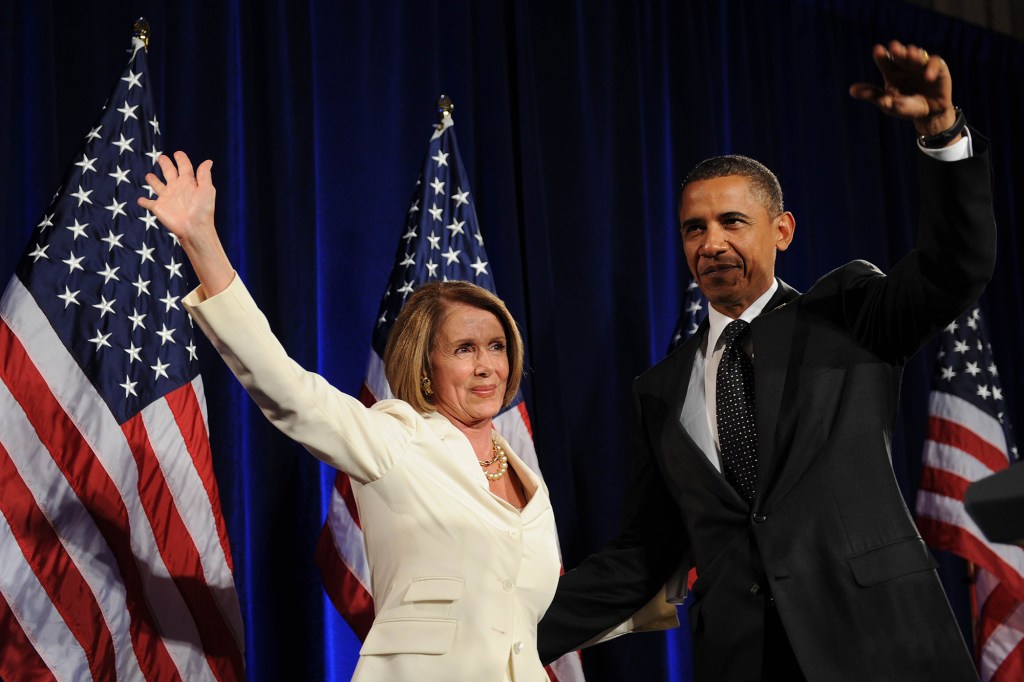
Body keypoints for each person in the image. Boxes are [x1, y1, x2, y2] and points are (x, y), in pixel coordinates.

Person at [538, 40, 994, 681]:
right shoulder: (660, 389)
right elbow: (645, 553)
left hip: (878, 646)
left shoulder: (848, 314)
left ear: (781, 231)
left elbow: (955, 268)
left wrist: (941, 135)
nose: (711, 242)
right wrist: (510, 636)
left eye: (732, 222)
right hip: (743, 660)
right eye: (694, 228)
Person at [138, 154, 560, 681]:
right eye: (465, 349)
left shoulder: (529, 481)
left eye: (497, 346)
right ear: (425, 368)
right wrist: (202, 240)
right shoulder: (398, 439)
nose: (487, 366)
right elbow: (287, 388)